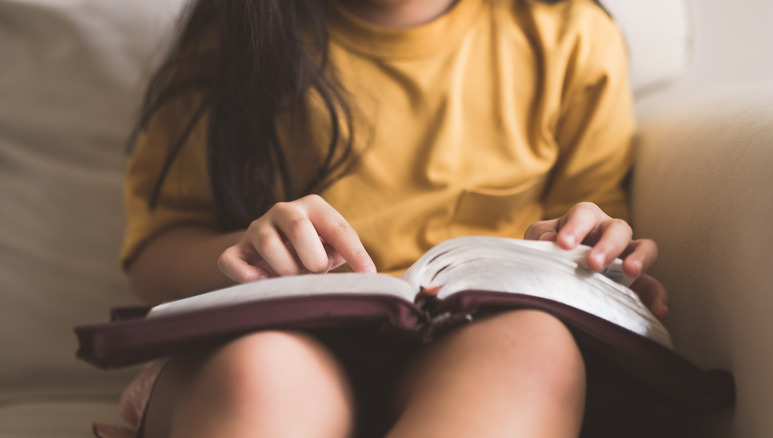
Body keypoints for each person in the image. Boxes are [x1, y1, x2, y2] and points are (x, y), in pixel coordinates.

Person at [103, 0, 670, 437]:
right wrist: (245, 252)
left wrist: (585, 250)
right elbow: (156, 253)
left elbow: (592, 230)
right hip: (280, 335)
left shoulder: (567, 32)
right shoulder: (238, 35)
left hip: (481, 342)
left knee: (534, 349)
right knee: (260, 373)